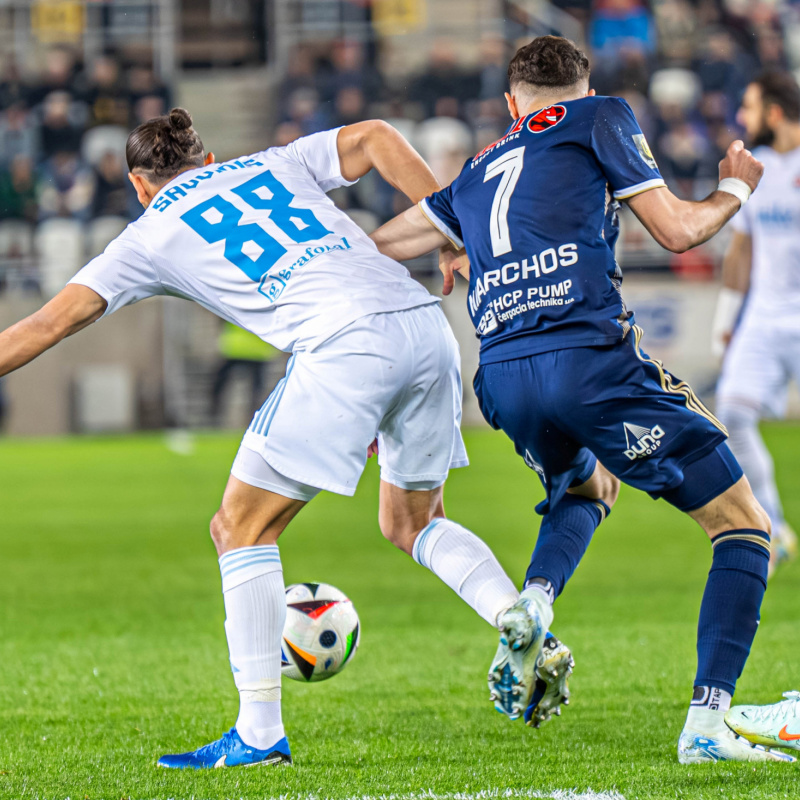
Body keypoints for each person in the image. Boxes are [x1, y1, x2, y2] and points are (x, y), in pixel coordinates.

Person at [0, 108, 531, 768]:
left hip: (343, 345)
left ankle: (257, 733)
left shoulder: (147, 236)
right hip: (425, 329)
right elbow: (374, 136)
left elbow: (44, 325)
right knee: (413, 522)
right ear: (209, 160)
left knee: (240, 529)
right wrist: (449, 228)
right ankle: (517, 614)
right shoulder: (272, 162)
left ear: (141, 184)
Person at [370, 36, 797, 763]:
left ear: (512, 103)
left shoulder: (473, 170)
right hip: (590, 361)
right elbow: (675, 229)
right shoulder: (600, 117)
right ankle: (707, 724)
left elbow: (381, 243)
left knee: (590, 484)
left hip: (503, 376)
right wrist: (738, 186)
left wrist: (449, 245)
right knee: (745, 528)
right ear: (583, 84)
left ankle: (533, 602)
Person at [712, 71, 800, 577]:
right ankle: (775, 528)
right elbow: (741, 248)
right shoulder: (755, 171)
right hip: (763, 321)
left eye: (748, 107)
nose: (741, 118)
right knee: (732, 415)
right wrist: (725, 321)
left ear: (773, 112)